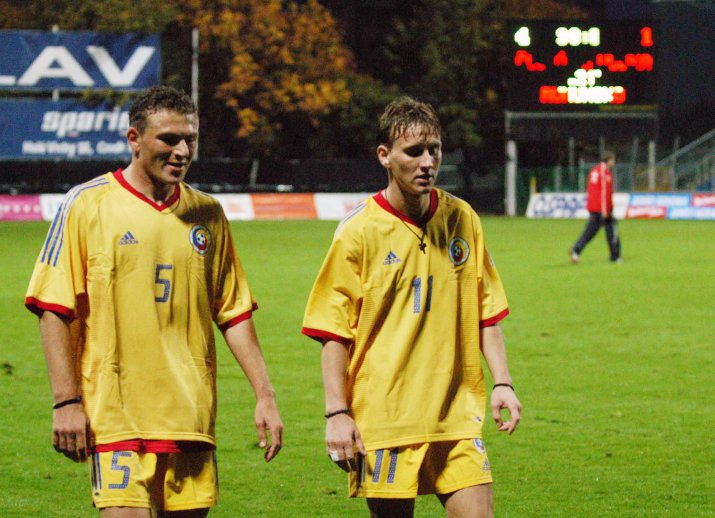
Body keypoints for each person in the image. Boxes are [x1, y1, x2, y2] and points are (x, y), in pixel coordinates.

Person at [25, 85, 283, 517]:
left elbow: (233, 311)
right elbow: (54, 307)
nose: (182, 150)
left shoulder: (208, 214)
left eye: (190, 140)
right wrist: (66, 401)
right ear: (134, 139)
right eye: (169, 139)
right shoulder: (87, 205)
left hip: (191, 417)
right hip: (116, 415)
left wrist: (265, 394)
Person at [301, 96, 521, 518]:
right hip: (384, 420)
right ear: (384, 156)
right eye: (414, 151)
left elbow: (486, 312)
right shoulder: (358, 232)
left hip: (455, 416)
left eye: (433, 150)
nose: (427, 162)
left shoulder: (463, 219)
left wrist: (503, 382)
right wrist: (336, 413)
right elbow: (333, 332)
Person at [569, 151, 622, 263]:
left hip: (594, 207)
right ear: (608, 160)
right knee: (612, 230)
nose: (614, 162)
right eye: (613, 160)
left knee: (589, 232)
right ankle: (615, 256)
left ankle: (576, 250)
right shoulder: (604, 172)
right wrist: (605, 210)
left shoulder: (594, 170)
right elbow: (604, 192)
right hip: (601, 209)